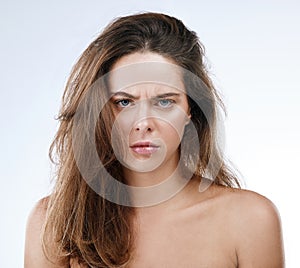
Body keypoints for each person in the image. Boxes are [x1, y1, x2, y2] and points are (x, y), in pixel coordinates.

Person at [24, 12, 285, 267]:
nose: (144, 123)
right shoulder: (54, 221)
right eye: (124, 102)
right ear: (99, 110)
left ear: (190, 109)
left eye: (164, 102)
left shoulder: (250, 220)